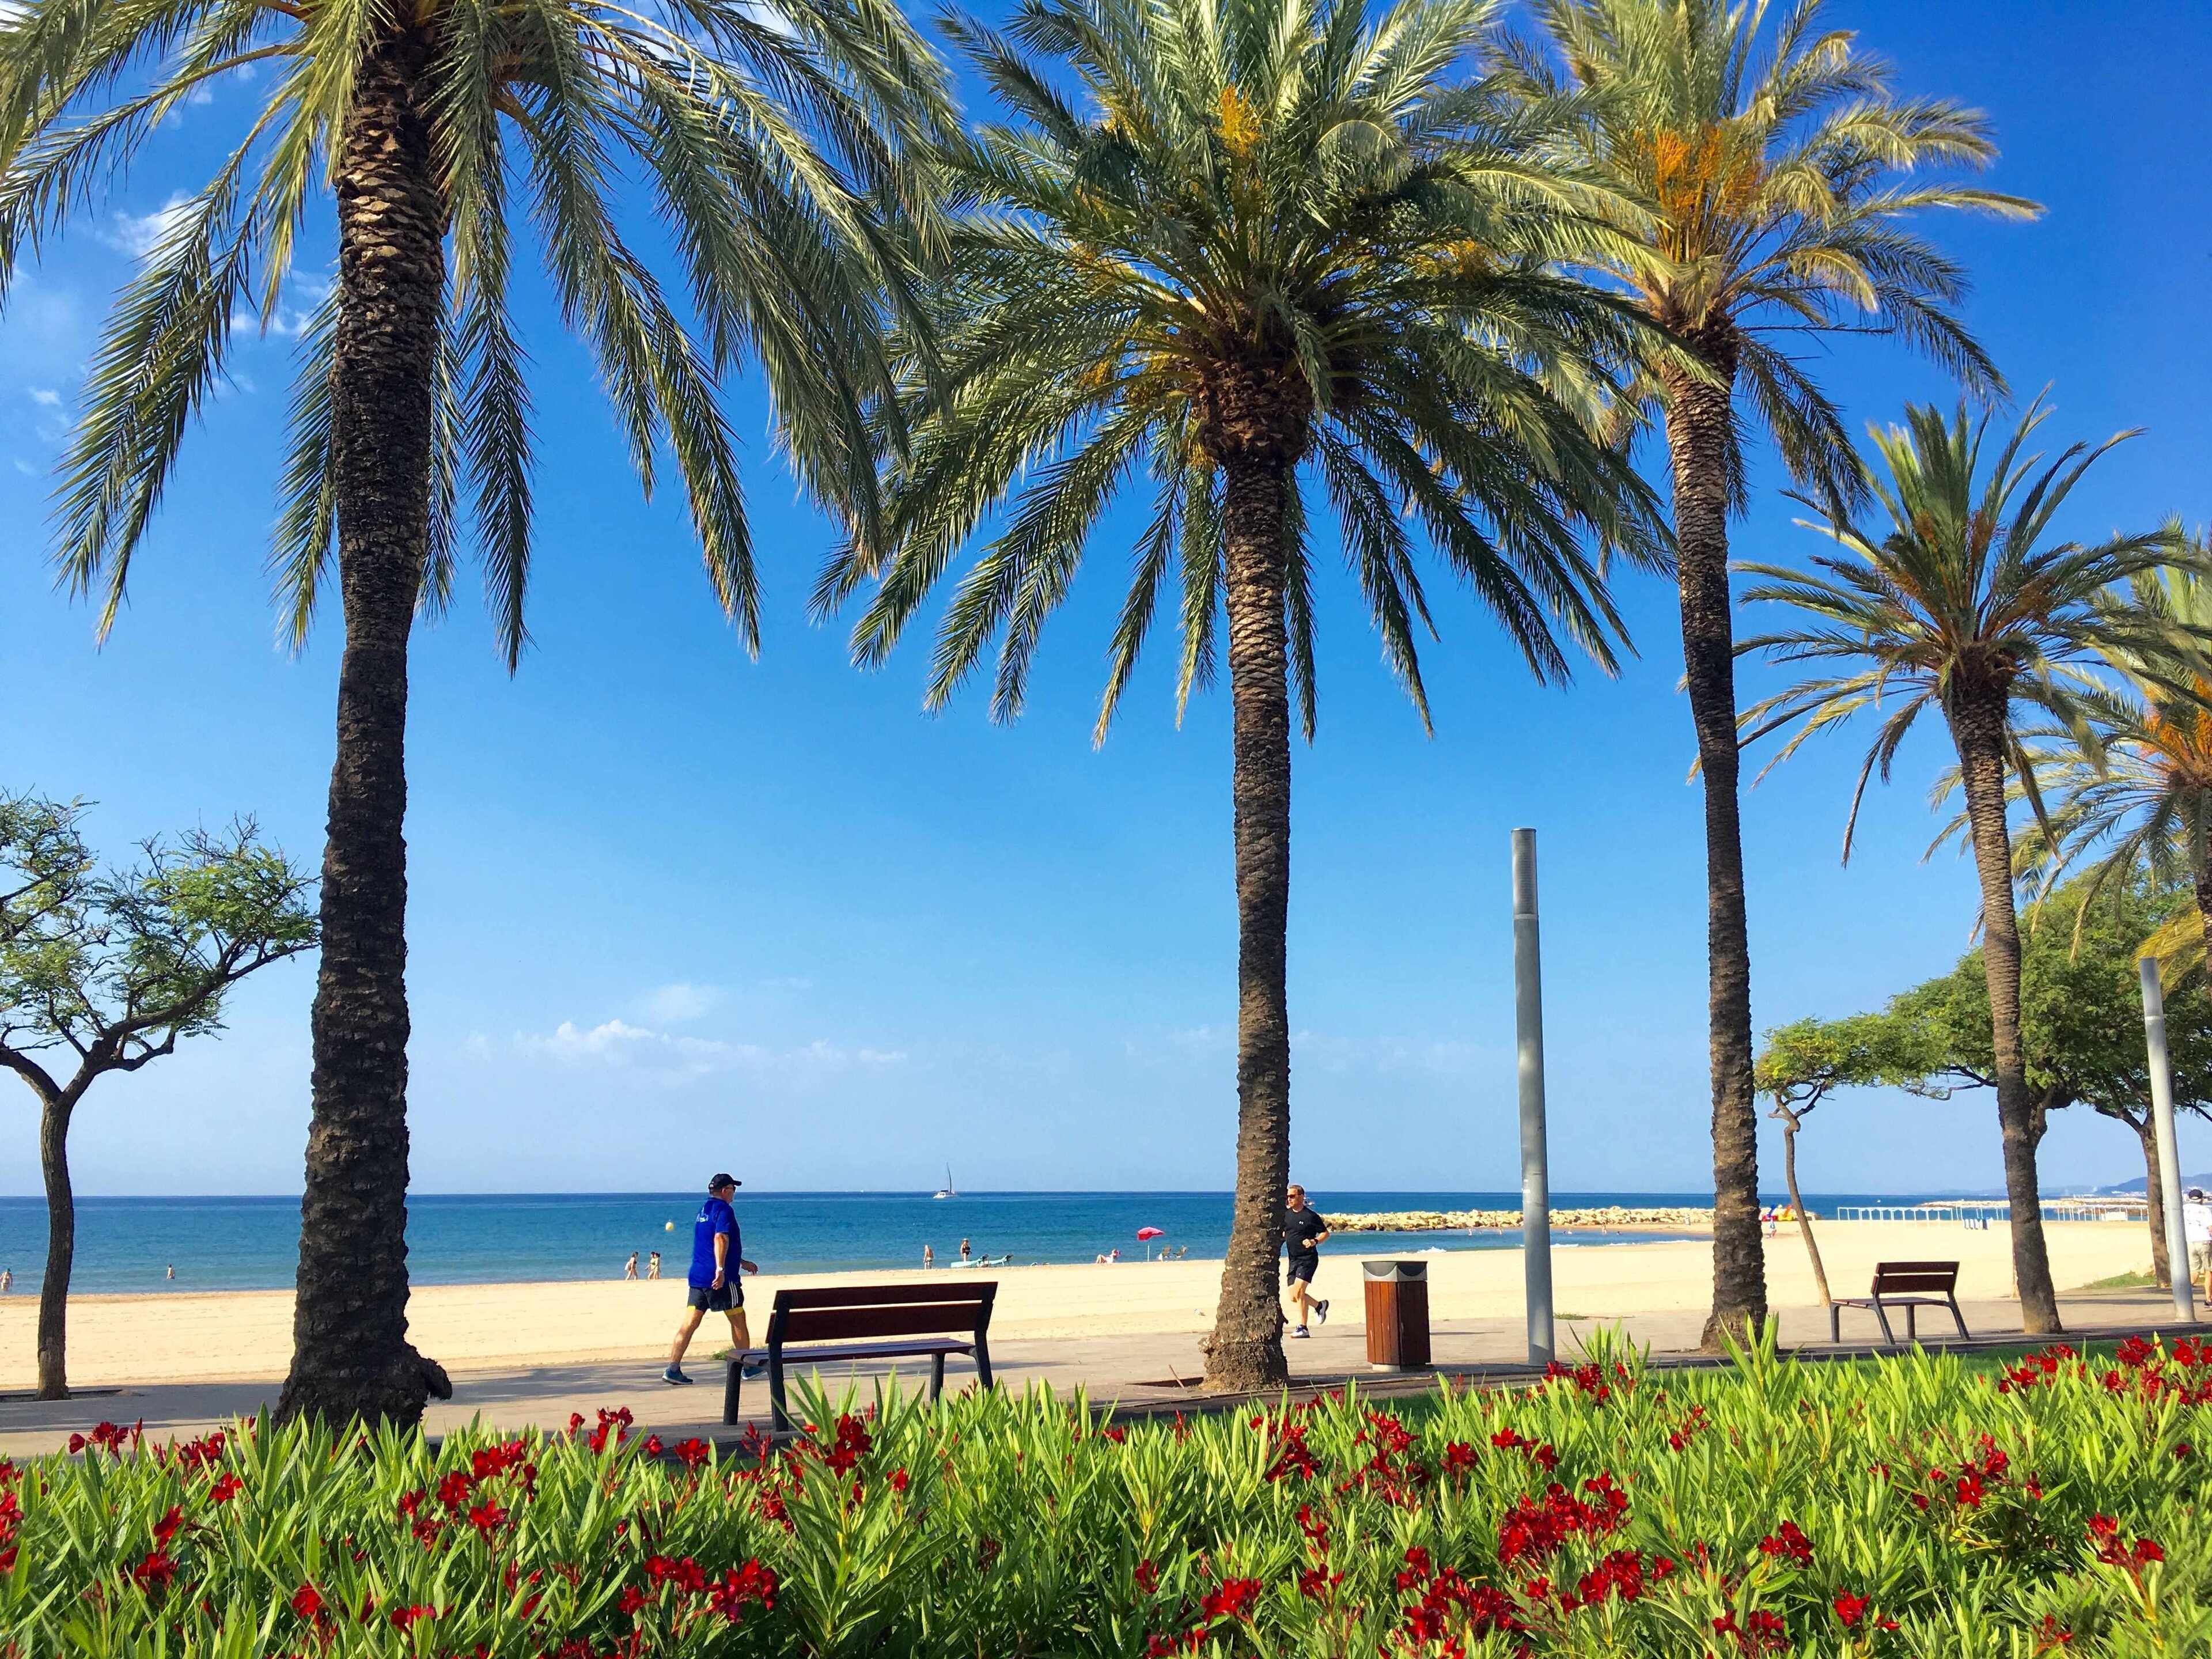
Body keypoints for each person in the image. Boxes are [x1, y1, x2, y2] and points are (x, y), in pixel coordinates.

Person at [665, 1173, 759, 1386]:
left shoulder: (703, 1211)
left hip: (698, 1277)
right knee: (738, 1318)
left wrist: (741, 1261)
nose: (735, 1193)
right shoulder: (725, 1209)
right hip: (722, 1279)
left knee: (689, 1324)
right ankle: (748, 1366)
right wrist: (720, 1269)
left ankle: (673, 1369)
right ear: (725, 1190)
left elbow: (710, 1244)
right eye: (733, 1189)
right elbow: (720, 1238)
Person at [1282, 1184, 1331, 1338]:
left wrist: (1314, 1241)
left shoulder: (1310, 1216)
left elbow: (1325, 1233)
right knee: (1293, 1296)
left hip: (1308, 1259)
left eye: (1292, 1196)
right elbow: (1285, 1232)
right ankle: (1319, 1306)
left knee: (1299, 1292)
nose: (1289, 1199)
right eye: (1288, 1197)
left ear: (1301, 1196)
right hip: (1293, 1259)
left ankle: (1303, 1328)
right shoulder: (1286, 1215)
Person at [2184, 1187, 2212, 1299]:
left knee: (2194, 1270)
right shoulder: (2205, 1210)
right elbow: (2210, 1227)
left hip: (2190, 1242)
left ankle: (2186, 1294)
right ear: (2201, 1199)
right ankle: (2209, 1298)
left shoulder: (2183, 1209)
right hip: (2205, 1241)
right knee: (2209, 1270)